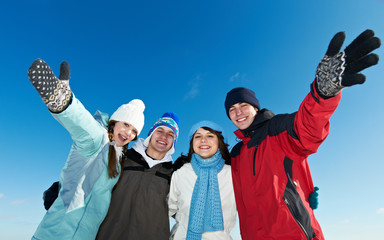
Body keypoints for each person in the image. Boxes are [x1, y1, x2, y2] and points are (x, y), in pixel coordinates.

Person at [224, 30, 381, 240]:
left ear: (255, 108)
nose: (238, 112)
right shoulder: (237, 153)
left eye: (243, 105)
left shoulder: (277, 129)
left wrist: (322, 94)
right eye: (232, 109)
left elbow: (307, 128)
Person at [28, 59, 145, 240]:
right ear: (114, 123)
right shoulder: (98, 140)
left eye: (134, 131)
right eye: (126, 124)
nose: (129, 132)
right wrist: (63, 100)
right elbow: (83, 124)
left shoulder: (120, 160)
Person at [96, 112, 180, 240]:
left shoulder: (174, 175)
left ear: (174, 142)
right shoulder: (123, 159)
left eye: (170, 134)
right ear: (151, 134)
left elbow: (183, 211)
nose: (164, 137)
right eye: (160, 131)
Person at [168, 121, 237, 240]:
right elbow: (169, 208)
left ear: (219, 142)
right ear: (192, 143)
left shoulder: (233, 174)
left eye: (210, 136)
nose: (203, 140)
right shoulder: (180, 174)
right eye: (198, 136)